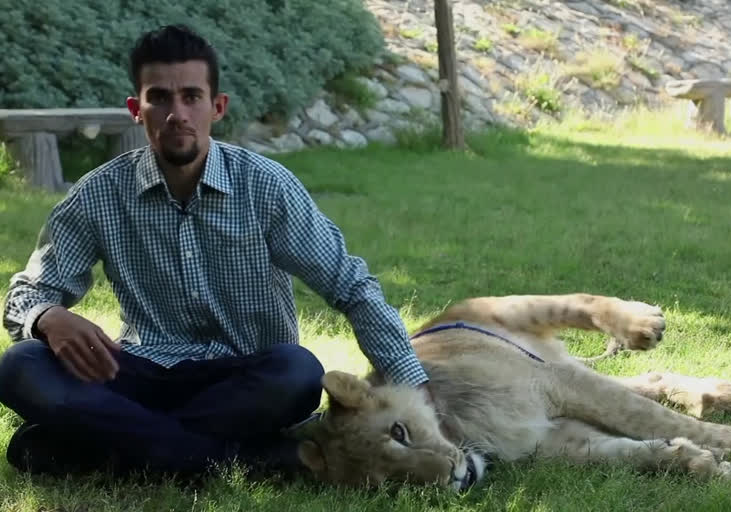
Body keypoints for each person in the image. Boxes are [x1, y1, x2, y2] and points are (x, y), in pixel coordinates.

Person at [0, 24, 429, 477]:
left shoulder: (266, 187)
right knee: (20, 365)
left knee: (298, 372)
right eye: (159, 98)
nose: (176, 113)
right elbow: (26, 294)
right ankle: (247, 459)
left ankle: (101, 449)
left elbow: (350, 285)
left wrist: (418, 390)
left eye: (191, 97)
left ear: (217, 107)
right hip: (139, 373)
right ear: (135, 109)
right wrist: (46, 317)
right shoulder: (99, 195)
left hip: (244, 380)